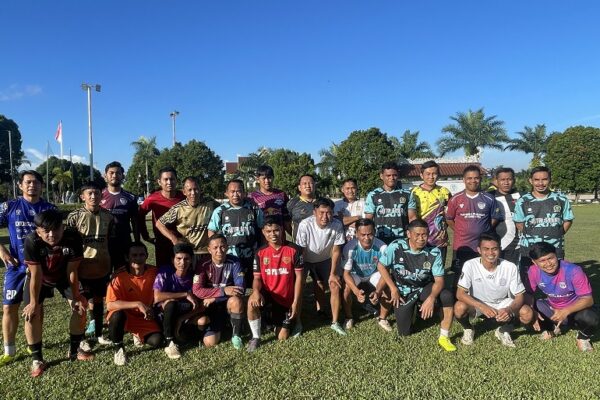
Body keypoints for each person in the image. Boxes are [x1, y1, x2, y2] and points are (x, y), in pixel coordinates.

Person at [22, 209, 92, 377]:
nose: (52, 235)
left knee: (80, 308)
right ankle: (37, 359)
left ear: (63, 226)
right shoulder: (31, 241)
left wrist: (76, 297)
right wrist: (33, 303)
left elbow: (72, 271)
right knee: (31, 314)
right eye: (46, 231)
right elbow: (36, 274)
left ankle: (74, 350)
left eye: (56, 229)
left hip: (64, 277)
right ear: (38, 231)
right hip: (40, 278)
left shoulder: (73, 237)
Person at [0, 170, 55, 366]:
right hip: (16, 267)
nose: (32, 185)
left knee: (37, 306)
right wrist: (2, 251)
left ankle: (34, 344)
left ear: (42, 186)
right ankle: (9, 350)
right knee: (9, 307)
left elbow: (57, 234)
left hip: (41, 267)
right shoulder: (9, 206)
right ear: (20, 185)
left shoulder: (49, 208)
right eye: (28, 182)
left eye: (36, 182)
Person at [376, 219, 456, 351]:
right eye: (417, 234)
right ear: (408, 234)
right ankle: (415, 310)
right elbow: (381, 266)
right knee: (404, 332)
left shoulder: (434, 252)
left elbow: (439, 280)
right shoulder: (396, 246)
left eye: (424, 234)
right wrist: (393, 288)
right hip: (402, 290)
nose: (421, 238)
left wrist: (431, 298)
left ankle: (444, 336)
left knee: (446, 295)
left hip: (424, 287)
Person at [454, 233, 534, 348]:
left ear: (500, 249)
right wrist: (482, 306)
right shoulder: (470, 265)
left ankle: (504, 330)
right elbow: (460, 293)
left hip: (502, 302)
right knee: (459, 307)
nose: (490, 253)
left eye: (494, 249)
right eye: (486, 249)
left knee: (527, 314)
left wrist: (509, 309)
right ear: (479, 250)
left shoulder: (510, 266)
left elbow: (519, 296)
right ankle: (468, 328)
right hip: (478, 303)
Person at [67, 181, 115, 346]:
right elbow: (69, 243)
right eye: (90, 193)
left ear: (102, 195)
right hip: (81, 269)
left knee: (99, 301)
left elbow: (111, 240)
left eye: (97, 193)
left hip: (102, 267)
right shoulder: (74, 216)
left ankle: (99, 334)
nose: (94, 196)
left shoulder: (109, 216)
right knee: (81, 303)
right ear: (83, 196)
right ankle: (80, 339)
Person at [527, 242, 598, 352]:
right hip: (553, 308)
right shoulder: (533, 271)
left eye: (550, 258)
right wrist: (532, 310)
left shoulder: (573, 270)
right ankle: (551, 329)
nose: (548, 264)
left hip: (576, 310)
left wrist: (566, 311)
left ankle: (583, 337)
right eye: (542, 261)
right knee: (526, 310)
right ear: (534, 262)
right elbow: (528, 294)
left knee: (592, 318)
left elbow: (588, 300)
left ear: (556, 255)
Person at [247, 217, 303, 351]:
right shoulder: (259, 252)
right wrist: (256, 292)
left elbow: (300, 278)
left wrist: (296, 302)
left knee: (282, 337)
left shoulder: (294, 249)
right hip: (267, 293)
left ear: (282, 230)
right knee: (251, 302)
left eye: (276, 230)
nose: (273, 234)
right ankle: (256, 337)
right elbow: (257, 278)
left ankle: (276, 319)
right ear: (263, 232)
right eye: (268, 231)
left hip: (285, 297)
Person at [295, 197, 347, 335]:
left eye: (329, 213)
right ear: (314, 212)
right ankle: (297, 322)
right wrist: (300, 274)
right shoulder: (305, 224)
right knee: (298, 288)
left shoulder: (337, 224)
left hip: (325, 259)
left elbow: (336, 250)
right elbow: (301, 251)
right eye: (321, 213)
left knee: (334, 284)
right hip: (306, 259)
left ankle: (335, 322)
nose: (325, 216)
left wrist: (333, 273)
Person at [106, 242, 163, 366]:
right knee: (116, 315)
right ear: (127, 257)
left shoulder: (154, 272)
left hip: (144, 317)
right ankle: (118, 348)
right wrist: (137, 304)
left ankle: (137, 335)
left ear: (147, 256)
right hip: (125, 315)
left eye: (142, 255)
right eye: (134, 255)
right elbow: (110, 305)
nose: (138, 258)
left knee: (157, 341)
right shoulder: (118, 277)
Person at [446, 165, 502, 288]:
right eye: (469, 178)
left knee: (482, 274)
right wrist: (460, 230)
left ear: (480, 179)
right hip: (462, 245)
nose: (473, 181)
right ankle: (457, 297)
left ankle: (481, 297)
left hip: (482, 246)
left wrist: (484, 230)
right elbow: (449, 219)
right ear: (464, 180)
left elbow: (494, 217)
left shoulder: (489, 198)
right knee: (460, 275)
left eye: (476, 178)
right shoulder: (455, 199)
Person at [513, 166, 573, 272]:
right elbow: (519, 223)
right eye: (536, 180)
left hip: (554, 247)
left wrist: (557, 233)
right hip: (530, 249)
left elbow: (568, 220)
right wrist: (532, 235)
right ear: (530, 181)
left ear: (550, 180)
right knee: (529, 278)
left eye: (544, 179)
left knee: (554, 277)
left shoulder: (561, 199)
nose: (540, 183)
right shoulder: (523, 201)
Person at [192, 235, 245, 349]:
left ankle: (236, 335)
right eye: (215, 248)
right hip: (210, 307)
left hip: (225, 302)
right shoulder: (203, 264)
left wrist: (215, 297)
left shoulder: (235, 262)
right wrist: (223, 290)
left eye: (222, 246)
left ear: (227, 247)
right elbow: (197, 290)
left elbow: (240, 289)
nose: (219, 251)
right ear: (209, 249)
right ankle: (224, 324)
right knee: (210, 343)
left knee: (236, 301)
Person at [153, 242, 205, 359]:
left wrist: (182, 319)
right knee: (171, 303)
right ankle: (169, 342)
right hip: (164, 314)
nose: (182, 263)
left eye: (186, 259)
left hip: (184, 315)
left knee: (202, 322)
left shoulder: (194, 276)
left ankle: (180, 332)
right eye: (179, 258)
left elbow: (201, 304)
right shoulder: (165, 272)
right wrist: (185, 294)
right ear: (173, 260)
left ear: (191, 260)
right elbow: (157, 297)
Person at [208, 179, 263, 287]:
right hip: (229, 257)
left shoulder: (254, 209)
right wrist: (217, 251)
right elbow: (211, 231)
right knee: (231, 286)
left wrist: (261, 250)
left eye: (238, 191)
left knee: (253, 285)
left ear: (244, 193)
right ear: (226, 193)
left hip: (251, 255)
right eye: (232, 191)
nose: (235, 195)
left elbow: (263, 230)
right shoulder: (220, 211)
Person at [342, 218, 392, 331]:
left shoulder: (383, 247)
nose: (367, 238)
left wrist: (378, 291)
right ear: (356, 234)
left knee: (387, 287)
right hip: (356, 274)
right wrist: (356, 291)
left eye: (370, 234)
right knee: (346, 288)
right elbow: (346, 274)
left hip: (374, 273)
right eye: (363, 234)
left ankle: (382, 318)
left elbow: (386, 273)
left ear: (374, 232)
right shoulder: (350, 247)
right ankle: (348, 317)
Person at [156, 176, 220, 260]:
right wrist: (174, 239)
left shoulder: (211, 203)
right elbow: (159, 224)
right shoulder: (178, 209)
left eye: (196, 189)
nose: (193, 193)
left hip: (207, 252)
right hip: (187, 254)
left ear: (200, 189)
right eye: (189, 190)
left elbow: (225, 211)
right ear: (184, 192)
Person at [138, 166, 185, 267]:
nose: (169, 182)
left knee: (183, 270)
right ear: (159, 182)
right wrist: (145, 236)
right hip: (161, 243)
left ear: (176, 180)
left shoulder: (184, 196)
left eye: (172, 179)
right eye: (166, 179)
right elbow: (140, 215)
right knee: (163, 272)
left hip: (182, 241)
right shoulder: (152, 199)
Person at [408, 160, 451, 264]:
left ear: (438, 175)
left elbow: (450, 214)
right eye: (428, 174)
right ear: (421, 175)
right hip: (420, 239)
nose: (431, 177)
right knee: (421, 269)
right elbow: (411, 217)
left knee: (439, 268)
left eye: (434, 173)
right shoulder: (414, 192)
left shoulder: (445, 192)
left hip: (440, 240)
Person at [100, 161, 139, 271]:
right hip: (103, 243)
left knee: (123, 273)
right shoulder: (99, 196)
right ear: (105, 176)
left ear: (122, 176)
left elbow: (135, 222)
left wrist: (137, 241)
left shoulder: (131, 197)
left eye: (118, 173)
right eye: (111, 173)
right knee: (104, 274)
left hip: (124, 242)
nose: (114, 175)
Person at [365, 161, 415, 244]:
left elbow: (412, 218)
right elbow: (368, 220)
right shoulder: (373, 195)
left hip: (402, 239)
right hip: (380, 239)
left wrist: (413, 236)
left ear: (398, 175)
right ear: (381, 176)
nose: (392, 178)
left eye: (394, 175)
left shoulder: (407, 194)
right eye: (388, 175)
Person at [488, 167, 521, 265]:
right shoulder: (488, 197)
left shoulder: (522, 196)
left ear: (514, 180)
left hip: (519, 246)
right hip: (497, 245)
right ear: (496, 181)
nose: (506, 183)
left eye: (509, 179)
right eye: (502, 179)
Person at [248, 165, 291, 234]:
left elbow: (287, 219)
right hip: (260, 237)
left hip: (279, 236)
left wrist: (293, 236)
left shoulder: (281, 194)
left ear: (273, 178)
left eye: (269, 178)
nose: (267, 181)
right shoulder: (252, 197)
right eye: (264, 178)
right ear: (258, 179)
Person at [287, 174, 317, 241]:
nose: (308, 186)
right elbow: (287, 224)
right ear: (299, 187)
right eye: (304, 183)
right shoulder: (292, 203)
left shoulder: (323, 203)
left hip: (320, 243)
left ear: (315, 186)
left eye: (310, 183)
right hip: (299, 243)